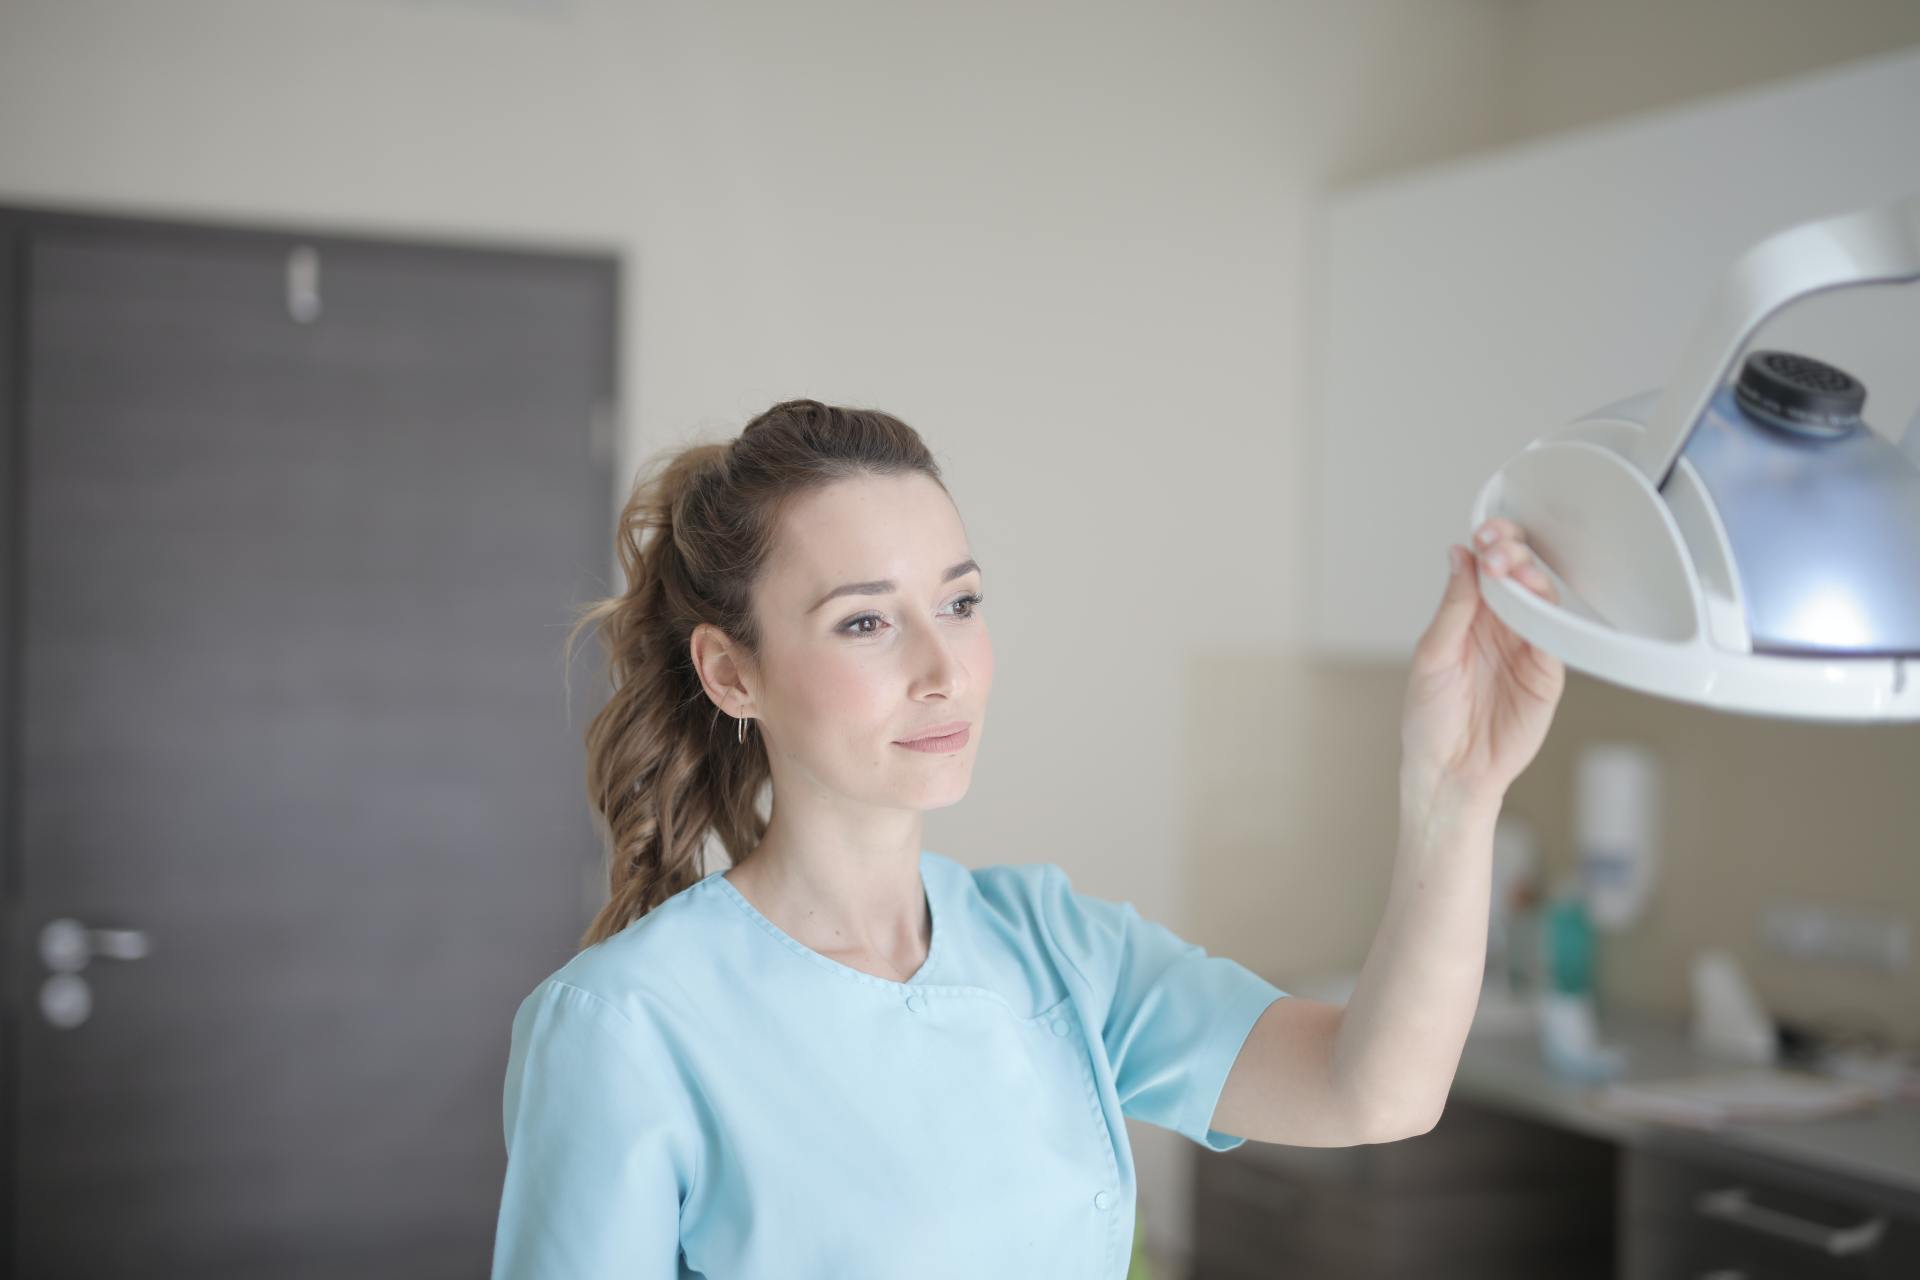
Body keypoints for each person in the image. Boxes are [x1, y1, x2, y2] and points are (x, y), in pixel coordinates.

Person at [488, 398, 1564, 1278]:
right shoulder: (623, 1024)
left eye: (959, 602)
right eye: (866, 619)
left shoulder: (1049, 940)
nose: (943, 667)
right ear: (731, 671)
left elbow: (1375, 1087)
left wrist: (1458, 788)